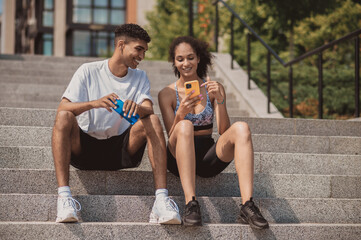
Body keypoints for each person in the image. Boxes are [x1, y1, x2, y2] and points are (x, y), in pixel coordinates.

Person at [52, 23, 181, 225]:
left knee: (152, 120)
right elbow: (62, 107)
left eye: (144, 51)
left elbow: (148, 108)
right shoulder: (88, 70)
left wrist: (137, 108)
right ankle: (64, 197)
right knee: (64, 116)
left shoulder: (140, 76)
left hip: (121, 148)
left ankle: (161, 200)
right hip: (85, 147)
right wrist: (94, 103)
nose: (142, 56)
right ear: (121, 44)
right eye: (138, 49)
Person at [158, 36, 269, 229]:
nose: (186, 63)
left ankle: (247, 205)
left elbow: (225, 132)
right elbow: (171, 135)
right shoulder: (166, 94)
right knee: (184, 126)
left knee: (242, 127)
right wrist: (181, 114)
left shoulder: (213, 88)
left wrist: (221, 100)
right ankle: (191, 204)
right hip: (178, 157)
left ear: (199, 58)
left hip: (208, 156)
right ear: (174, 62)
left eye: (190, 57)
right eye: (180, 59)